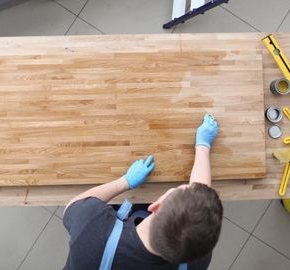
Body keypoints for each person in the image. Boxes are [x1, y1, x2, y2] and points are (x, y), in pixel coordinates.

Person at [62, 114, 223, 269]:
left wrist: (124, 182)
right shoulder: (195, 260)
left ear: (155, 206)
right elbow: (198, 209)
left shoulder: (92, 235)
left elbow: (74, 206)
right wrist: (203, 147)